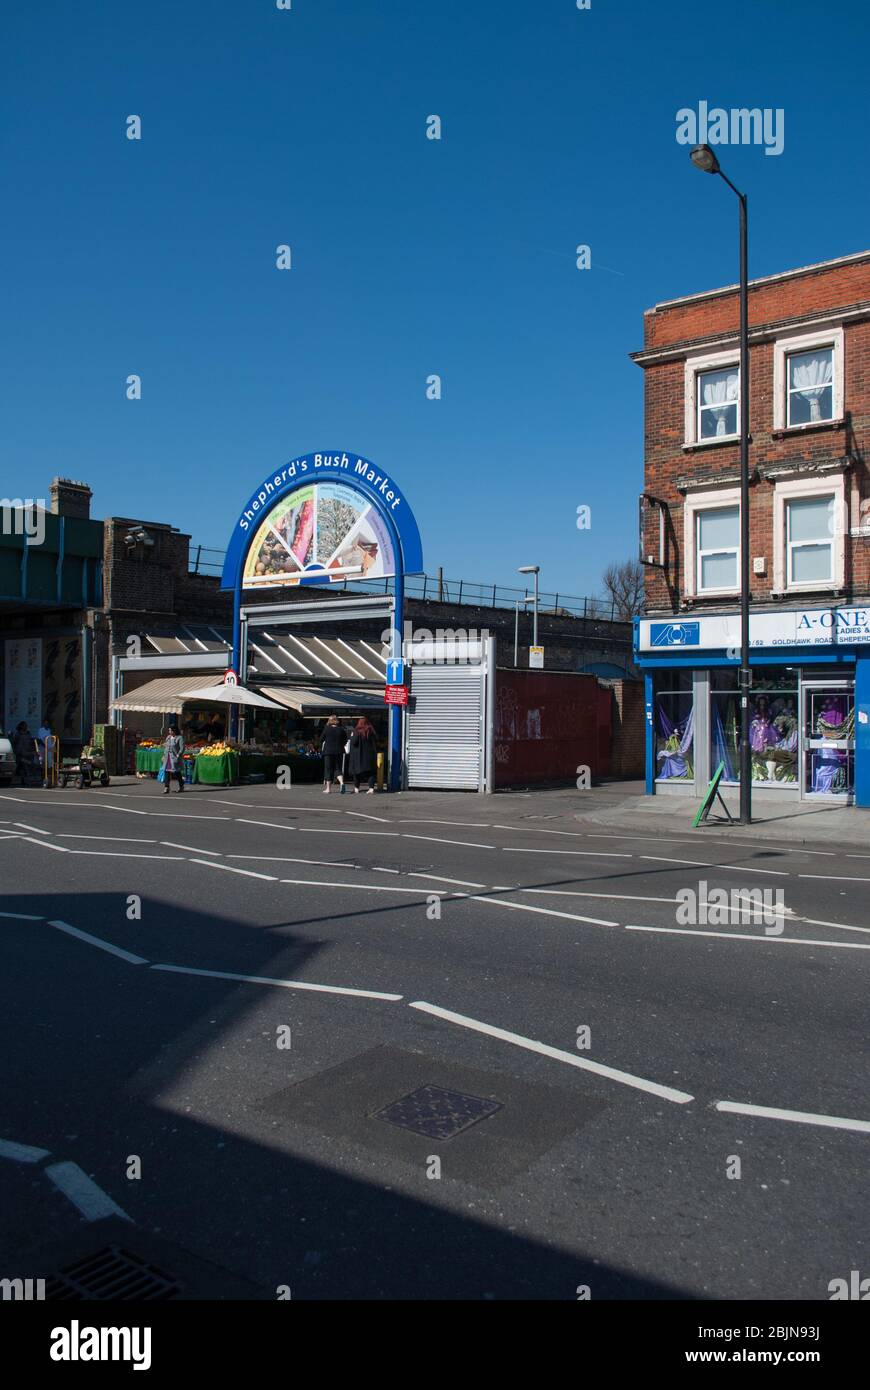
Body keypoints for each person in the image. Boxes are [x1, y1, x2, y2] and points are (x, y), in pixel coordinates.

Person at [348, 716, 378, 793]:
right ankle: (371, 789)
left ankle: (356, 788)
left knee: (356, 772)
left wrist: (351, 736)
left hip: (358, 756)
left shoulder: (356, 731)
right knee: (370, 772)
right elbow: (376, 740)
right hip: (370, 756)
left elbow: (354, 742)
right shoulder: (371, 730)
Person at [320, 715, 347, 793]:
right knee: (338, 769)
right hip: (339, 751)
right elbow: (345, 741)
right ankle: (342, 783)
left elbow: (321, 739)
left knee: (328, 769)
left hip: (328, 751)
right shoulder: (341, 730)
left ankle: (328, 789)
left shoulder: (326, 729)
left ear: (330, 721)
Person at [160, 722, 185, 794]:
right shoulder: (168, 737)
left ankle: (181, 785)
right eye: (169, 730)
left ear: (174, 731)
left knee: (177, 772)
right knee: (166, 771)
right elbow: (166, 747)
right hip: (167, 757)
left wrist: (179, 754)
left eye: (170, 730)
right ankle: (166, 787)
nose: (169, 732)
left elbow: (182, 748)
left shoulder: (179, 738)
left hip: (174, 757)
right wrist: (164, 755)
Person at [12, 721, 38, 786]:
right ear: (21, 726)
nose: (26, 726)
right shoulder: (18, 734)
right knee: (24, 767)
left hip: (29, 754)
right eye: (24, 725)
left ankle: (25, 781)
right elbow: (14, 743)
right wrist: (16, 752)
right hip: (21, 755)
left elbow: (30, 743)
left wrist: (34, 750)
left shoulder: (28, 733)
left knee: (28, 767)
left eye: (26, 725)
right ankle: (26, 781)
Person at [35, 715, 55, 787]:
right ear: (43, 723)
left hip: (50, 750)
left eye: (47, 723)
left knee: (50, 764)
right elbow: (39, 740)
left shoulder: (49, 730)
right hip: (43, 749)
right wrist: (45, 747)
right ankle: (43, 779)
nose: (46, 724)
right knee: (43, 764)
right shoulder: (41, 730)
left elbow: (52, 739)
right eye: (45, 723)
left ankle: (49, 779)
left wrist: (52, 747)